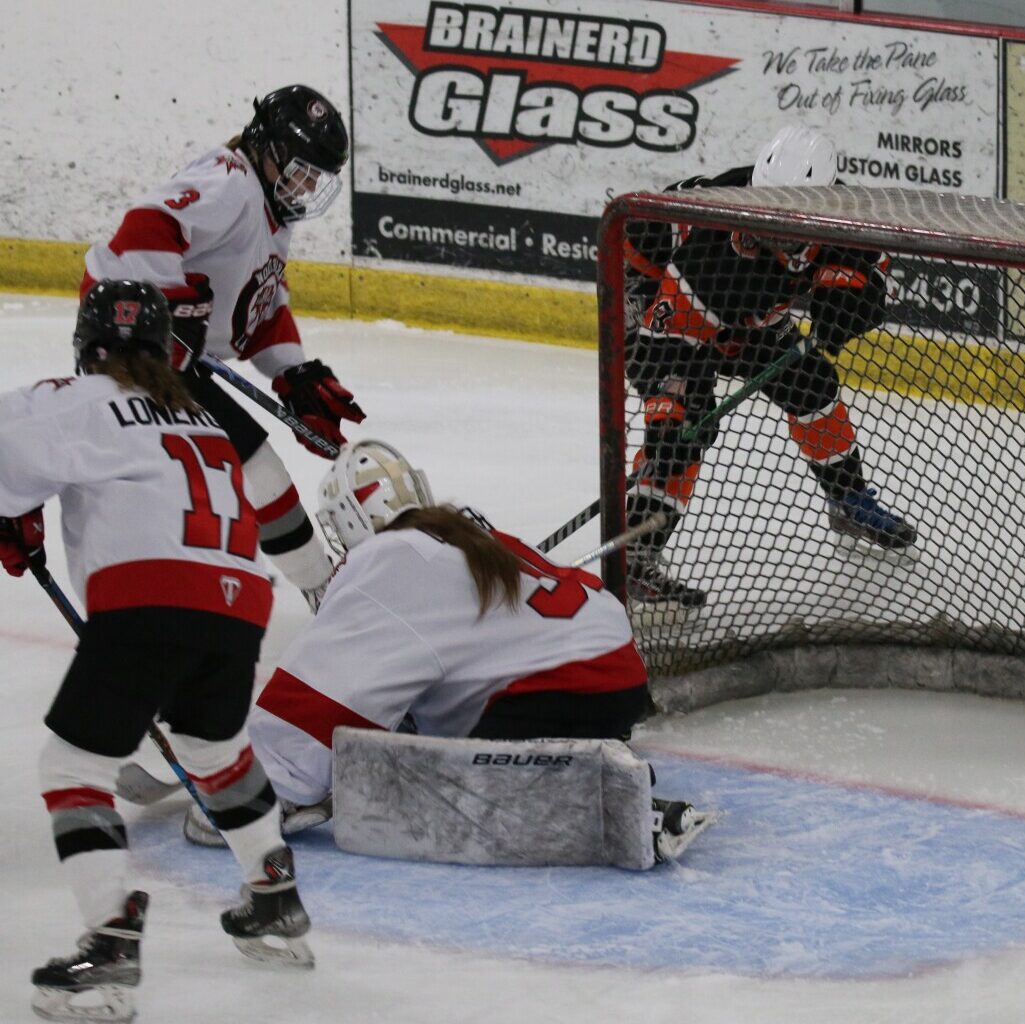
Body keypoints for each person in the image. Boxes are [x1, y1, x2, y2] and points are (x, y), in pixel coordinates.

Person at [0, 282, 314, 1024]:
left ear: (89, 343)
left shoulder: (80, 398)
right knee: (214, 748)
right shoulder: (201, 418)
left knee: (72, 767)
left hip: (150, 600)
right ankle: (272, 896)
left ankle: (108, 942)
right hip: (241, 606)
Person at [182, 438, 706, 860]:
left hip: (552, 690)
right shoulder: (467, 532)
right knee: (422, 732)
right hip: (617, 673)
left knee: (421, 783)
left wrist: (256, 787)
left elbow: (323, 697)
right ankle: (587, 761)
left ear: (346, 520)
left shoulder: (392, 559)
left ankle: (610, 801)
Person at [82, 84, 364, 609]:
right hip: (127, 347)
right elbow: (145, 228)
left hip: (175, 359)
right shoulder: (231, 181)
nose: (306, 186)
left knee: (236, 472)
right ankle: (326, 594)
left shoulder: (272, 212)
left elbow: (261, 310)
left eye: (315, 177)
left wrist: (295, 375)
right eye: (299, 169)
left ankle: (315, 588)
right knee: (252, 470)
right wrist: (167, 308)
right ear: (266, 147)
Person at [619, 124, 916, 608]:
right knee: (686, 422)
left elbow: (869, 269)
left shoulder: (847, 216)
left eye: (778, 224)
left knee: (809, 381)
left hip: (741, 300)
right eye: (759, 217)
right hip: (648, 283)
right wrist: (664, 418)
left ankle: (849, 499)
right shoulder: (716, 249)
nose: (761, 233)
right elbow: (667, 346)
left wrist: (850, 299)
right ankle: (634, 553)